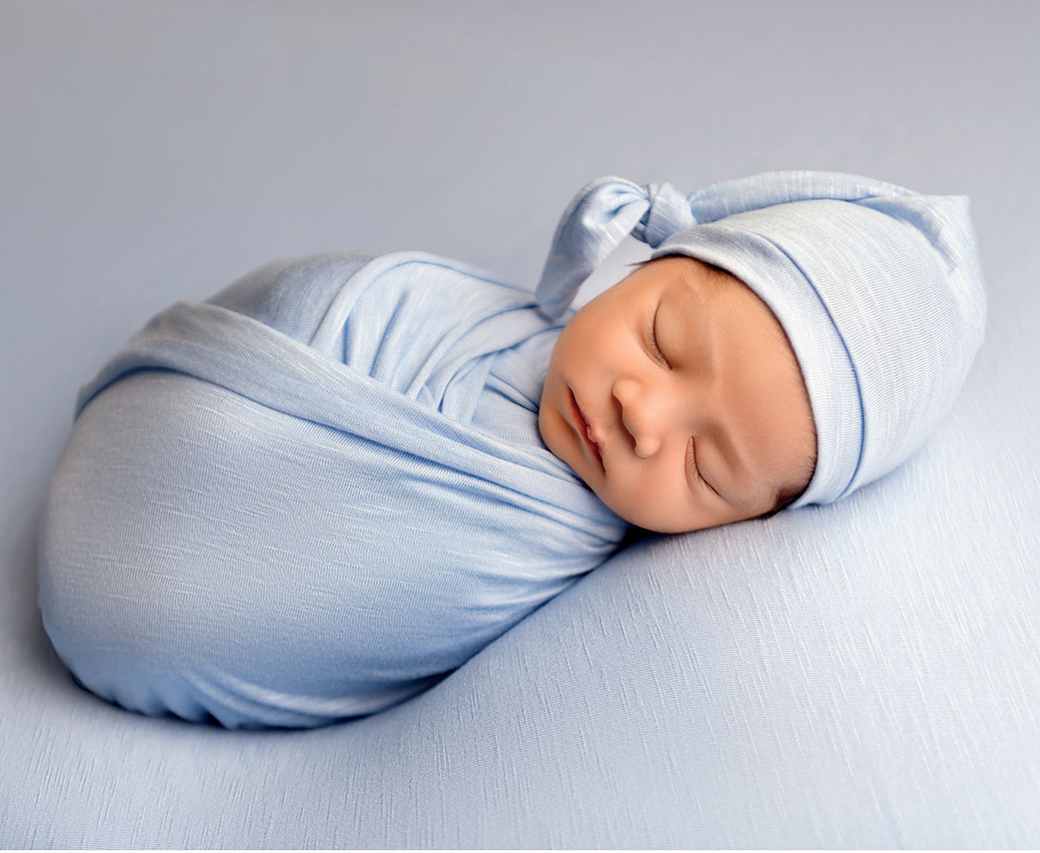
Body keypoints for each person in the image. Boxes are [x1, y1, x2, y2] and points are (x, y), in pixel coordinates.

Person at [36, 171, 986, 728]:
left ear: (751, 519)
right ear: (643, 264)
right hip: (179, 398)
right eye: (660, 340)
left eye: (706, 468)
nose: (642, 416)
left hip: (142, 554)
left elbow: (171, 608)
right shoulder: (479, 314)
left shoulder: (528, 528)